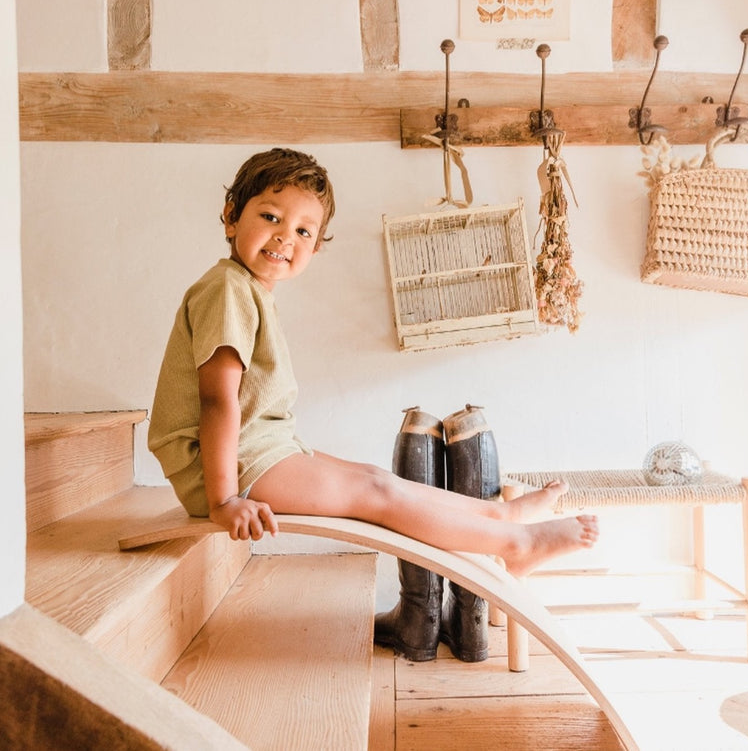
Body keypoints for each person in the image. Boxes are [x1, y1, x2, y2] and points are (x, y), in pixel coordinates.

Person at [148, 148, 599, 582]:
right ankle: (516, 546)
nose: (286, 236)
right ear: (231, 216)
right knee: (376, 493)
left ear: (317, 247)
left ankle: (501, 515)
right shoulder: (226, 289)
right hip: (230, 468)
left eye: (305, 231)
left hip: (261, 449)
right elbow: (217, 399)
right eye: (271, 217)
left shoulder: (247, 289)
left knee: (374, 477)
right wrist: (223, 499)